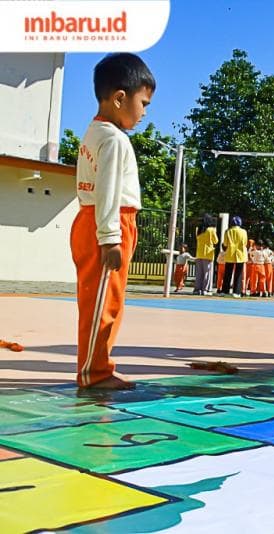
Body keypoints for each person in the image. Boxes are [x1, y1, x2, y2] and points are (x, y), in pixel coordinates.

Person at [71, 53, 155, 389]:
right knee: (103, 303)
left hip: (96, 219)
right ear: (120, 98)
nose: (144, 112)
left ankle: (98, 367)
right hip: (110, 222)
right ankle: (94, 373)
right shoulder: (114, 139)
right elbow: (107, 191)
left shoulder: (95, 132)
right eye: (143, 103)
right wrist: (110, 238)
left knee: (103, 299)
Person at [222, 216, 247, 297]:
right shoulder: (244, 232)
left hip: (230, 254)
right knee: (238, 274)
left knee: (227, 273)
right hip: (241, 254)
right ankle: (236, 292)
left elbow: (225, 244)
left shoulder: (228, 231)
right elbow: (245, 243)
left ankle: (225, 291)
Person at [194, 214, 218, 295]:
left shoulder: (198, 229)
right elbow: (216, 241)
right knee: (207, 273)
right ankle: (206, 289)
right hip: (208, 254)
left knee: (199, 273)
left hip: (199, 253)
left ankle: (197, 289)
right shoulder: (211, 230)